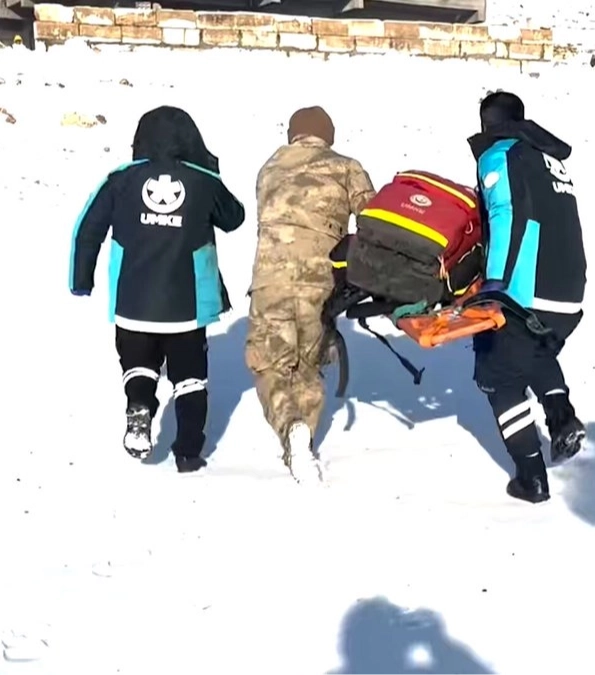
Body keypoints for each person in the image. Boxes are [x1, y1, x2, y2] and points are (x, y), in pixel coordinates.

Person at [68, 105, 245, 472]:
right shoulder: (202, 181)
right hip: (188, 305)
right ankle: (188, 453)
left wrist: (81, 280)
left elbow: (87, 229)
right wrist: (208, 172)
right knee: (190, 378)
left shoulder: (119, 180)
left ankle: (139, 407)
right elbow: (234, 218)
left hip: (132, 301)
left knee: (138, 364)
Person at [466, 91, 588, 504]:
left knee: (499, 376)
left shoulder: (500, 154)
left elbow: (508, 216)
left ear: (488, 124)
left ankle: (530, 476)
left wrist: (495, 285)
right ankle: (562, 418)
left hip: (527, 288)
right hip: (567, 290)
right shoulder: (548, 159)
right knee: (533, 350)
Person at [245, 105, 376, 482]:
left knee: (270, 363)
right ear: (327, 136)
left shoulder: (269, 168)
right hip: (320, 282)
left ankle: (291, 429)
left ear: (293, 134)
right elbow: (373, 219)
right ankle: (303, 440)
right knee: (307, 364)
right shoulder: (346, 167)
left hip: (269, 280)